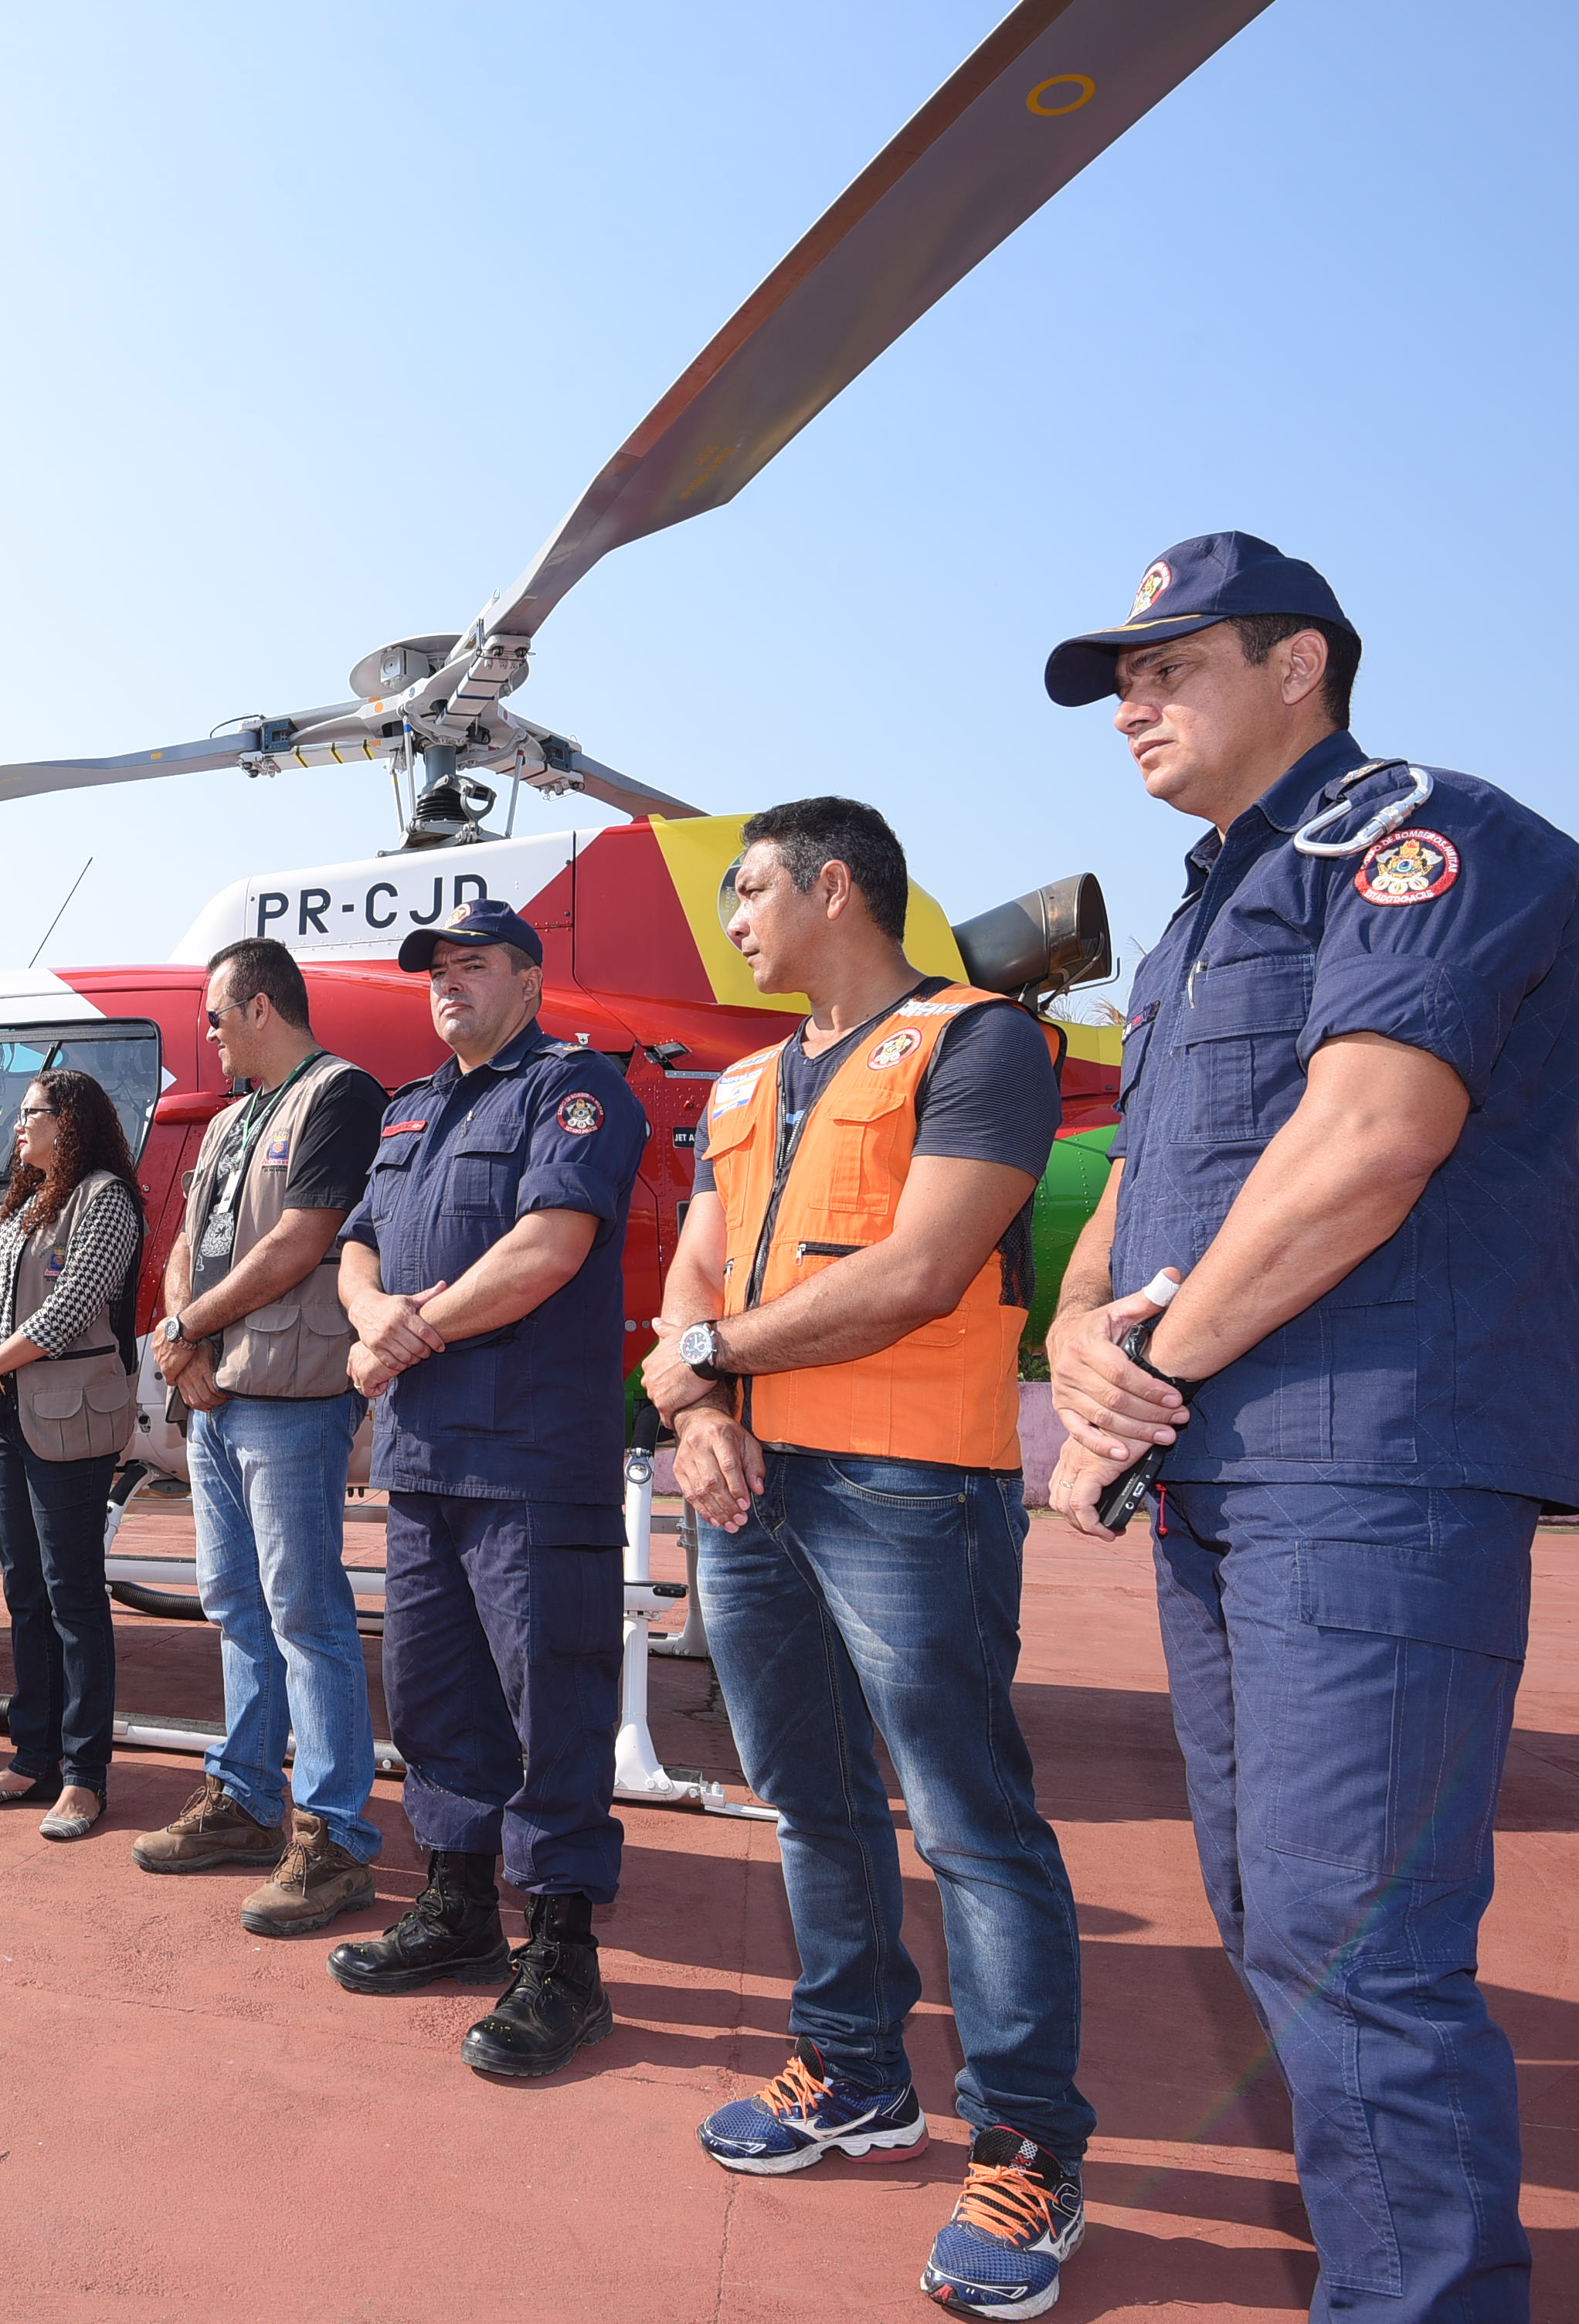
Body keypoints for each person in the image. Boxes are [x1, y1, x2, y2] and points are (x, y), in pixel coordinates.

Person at [1040, 534, 1579, 2324]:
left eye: (1165, 664)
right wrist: (1071, 1329)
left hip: (1370, 1462)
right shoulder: (1198, 914)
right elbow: (1141, 1176)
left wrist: (1143, 1371)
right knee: (1275, 1914)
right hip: (1218, 1476)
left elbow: (1367, 1137)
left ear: (1298, 664)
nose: (1129, 700)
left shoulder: (1424, 838)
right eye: (1114, 677)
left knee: (1356, 1941)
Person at [638, 800, 1095, 2321]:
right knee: (808, 1800)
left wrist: (700, 1357)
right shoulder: (742, 1078)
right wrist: (701, 1410)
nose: (737, 918)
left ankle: (1028, 2144)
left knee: (972, 1820)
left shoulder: (978, 1046)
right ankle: (853, 2071)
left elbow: (919, 1270)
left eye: (752, 888)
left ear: (835, 888)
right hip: (746, 1481)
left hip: (910, 1483)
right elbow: (695, 1269)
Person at [323, 899, 648, 2078]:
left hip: (528, 1466)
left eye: (474, 965)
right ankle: (459, 1907)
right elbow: (356, 1241)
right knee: (434, 1700)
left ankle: (563, 1958)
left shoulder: (574, 1092)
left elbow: (547, 1247)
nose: (449, 984)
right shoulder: (410, 1108)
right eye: (436, 971)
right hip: (423, 1465)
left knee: (550, 1706)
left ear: (529, 982)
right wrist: (370, 1315)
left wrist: (402, 1338)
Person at [133, 936, 387, 1937]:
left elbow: (300, 1242)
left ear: (261, 1008)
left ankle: (333, 1839)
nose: (205, 1032)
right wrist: (176, 1337)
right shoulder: (234, 1120)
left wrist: (188, 1329)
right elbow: (186, 1248)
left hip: (290, 1399)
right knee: (235, 1603)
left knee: (306, 1615)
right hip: (216, 1399)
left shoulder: (340, 1096)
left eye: (214, 1014)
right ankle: (245, 1797)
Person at [0, 1069, 144, 1842]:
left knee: (73, 1596)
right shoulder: (24, 1206)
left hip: (67, 1419)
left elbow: (68, 1311)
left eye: (27, 1114)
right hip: (8, 1418)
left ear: (68, 1120)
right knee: (25, 1592)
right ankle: (32, 1757)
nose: (15, 1128)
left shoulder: (105, 1199)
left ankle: (85, 1776)